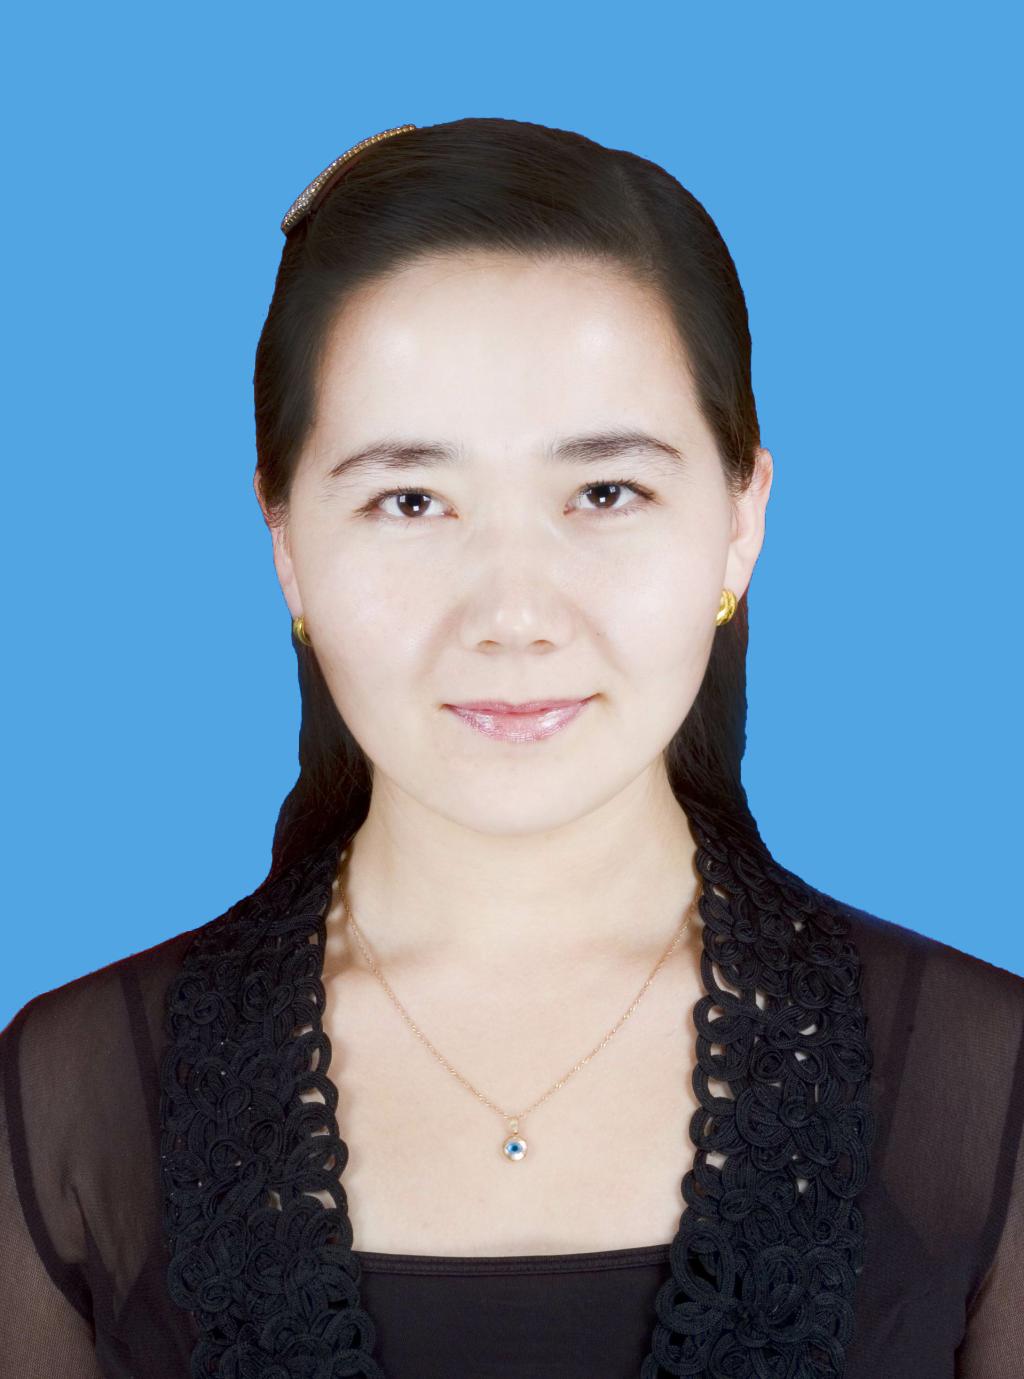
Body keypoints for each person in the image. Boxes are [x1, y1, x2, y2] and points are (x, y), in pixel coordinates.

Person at [1, 117, 1021, 1379]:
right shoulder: (78, 1096)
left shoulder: (980, 1084)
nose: (514, 614)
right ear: (285, 541)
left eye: (604, 492)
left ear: (740, 521)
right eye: (410, 500)